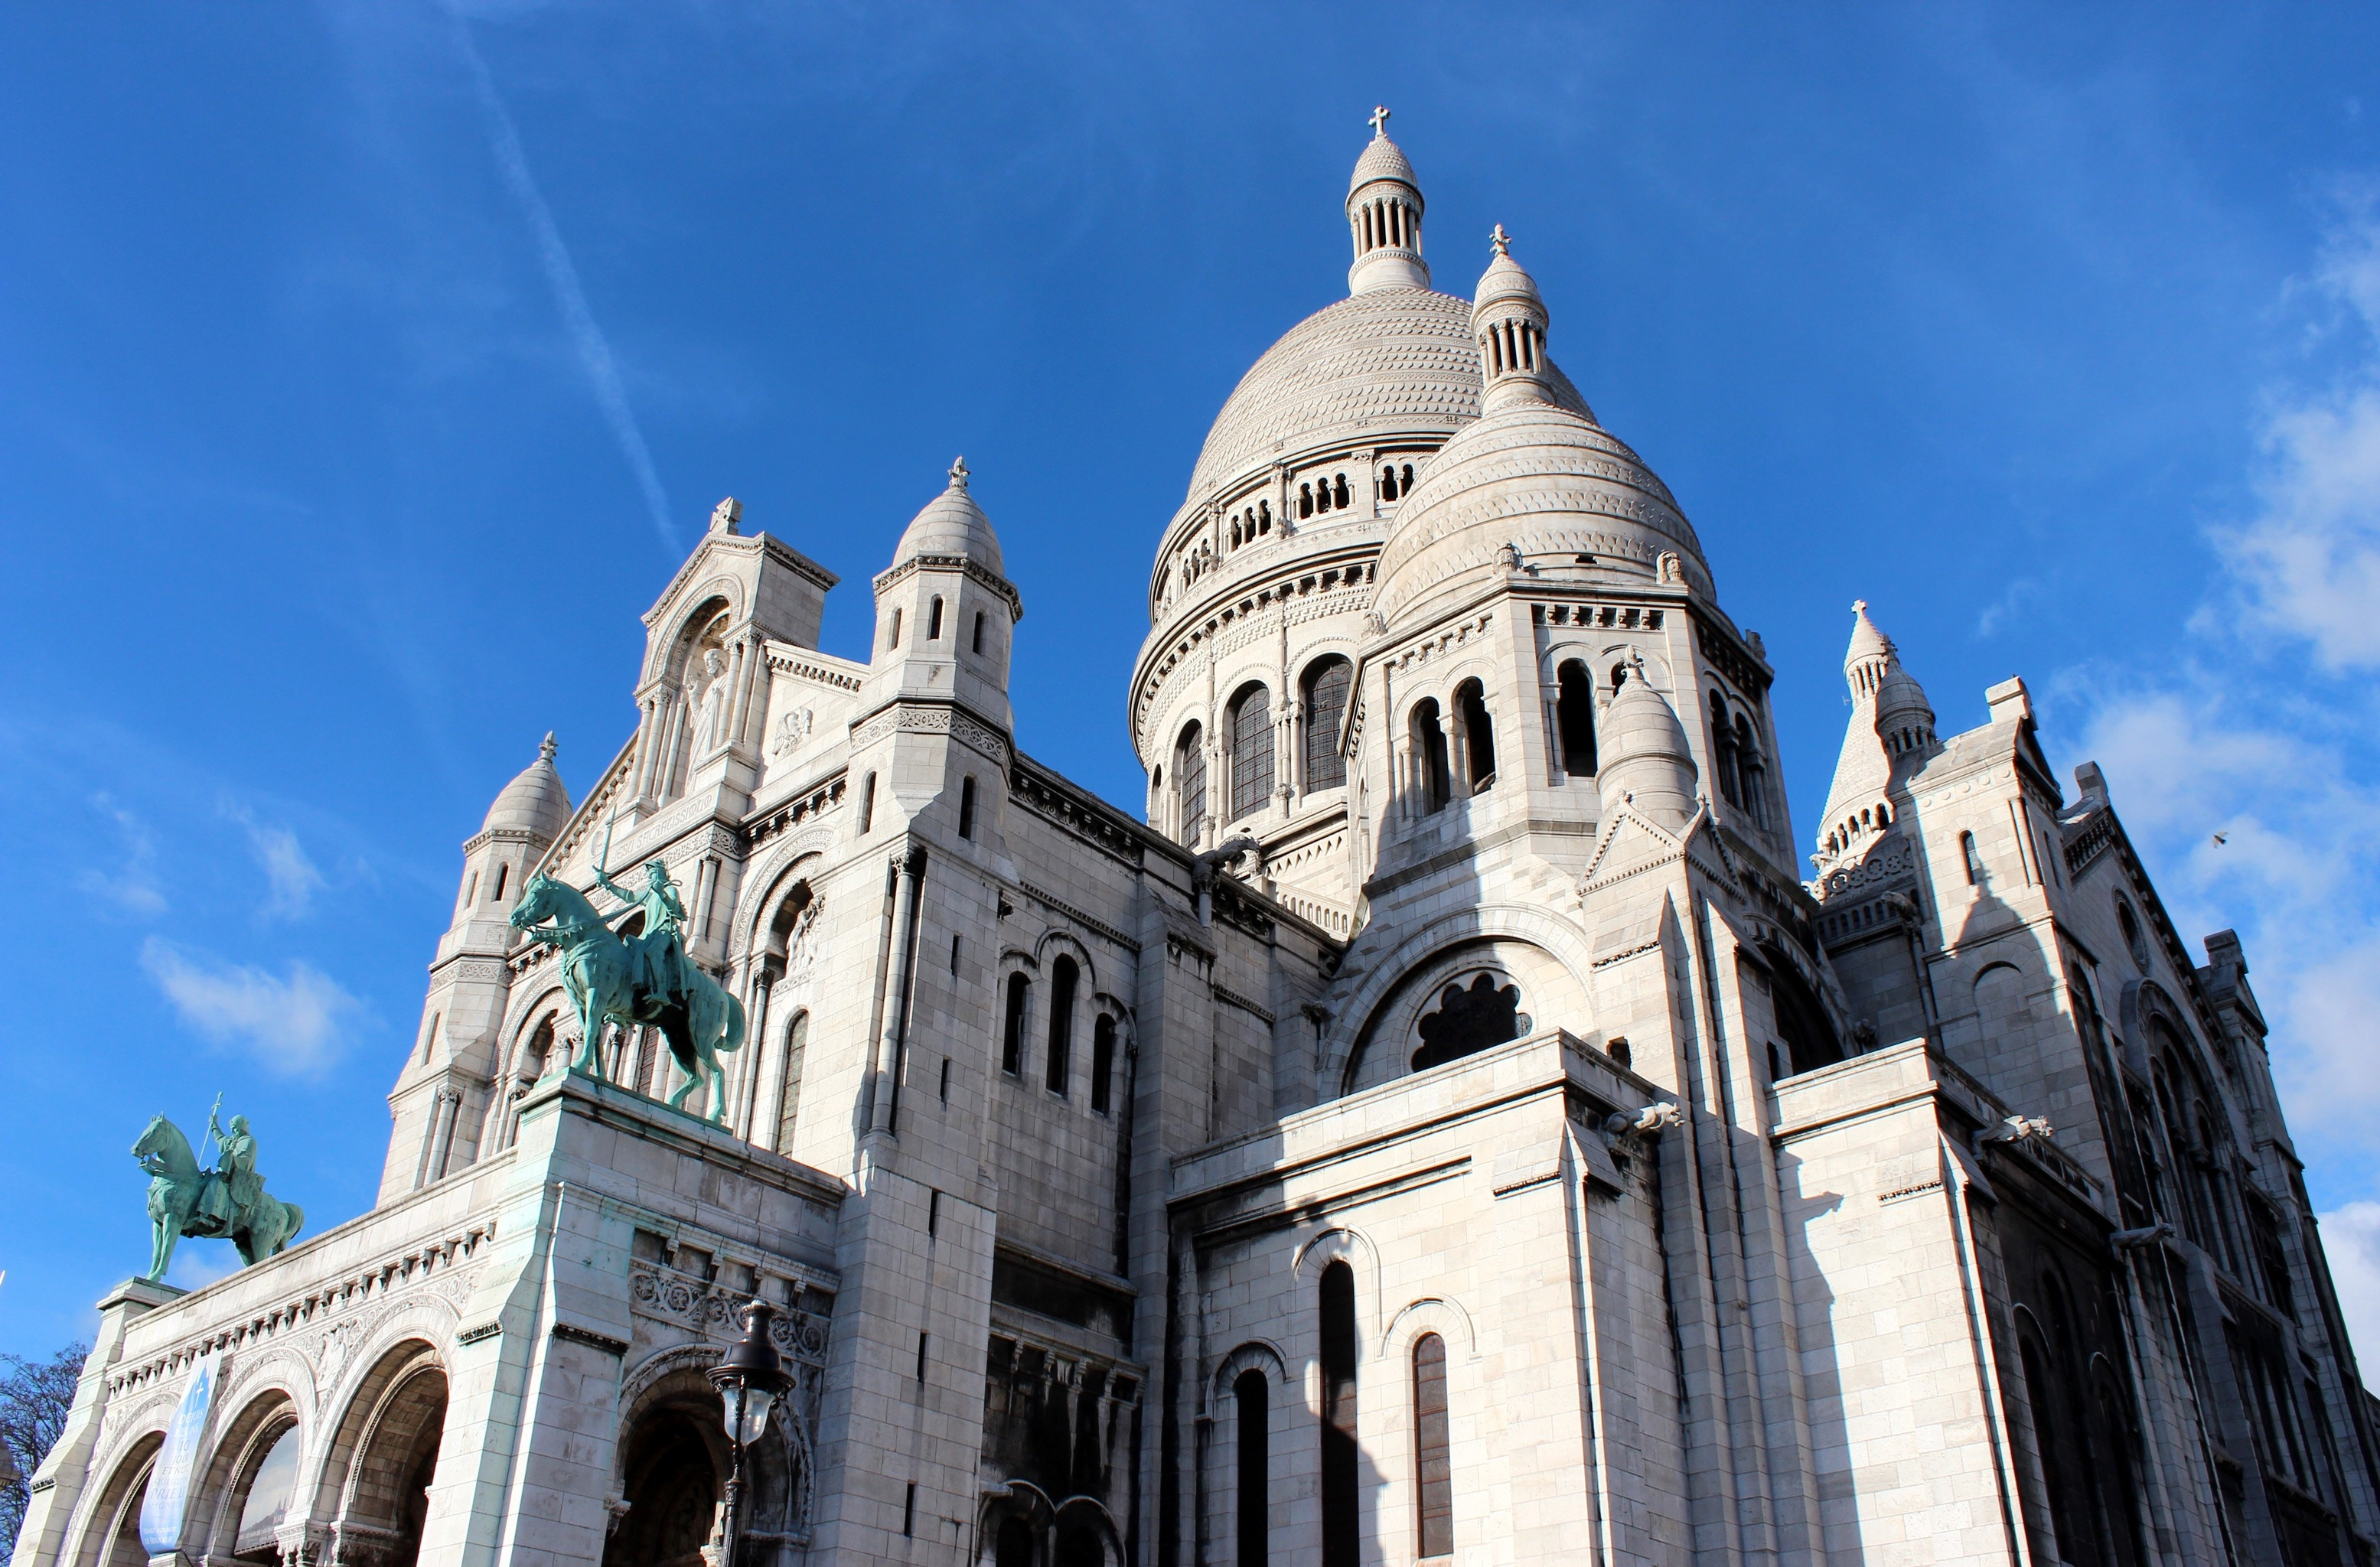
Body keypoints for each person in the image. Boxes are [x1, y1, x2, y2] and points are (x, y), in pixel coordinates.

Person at [596, 858, 692, 1007]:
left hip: (665, 931)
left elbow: (674, 908)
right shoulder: (650, 895)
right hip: (649, 934)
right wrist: (608, 884)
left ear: (661, 874)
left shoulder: (670, 889)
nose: (649, 877)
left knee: (653, 951)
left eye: (653, 873)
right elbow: (629, 897)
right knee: (626, 951)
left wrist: (662, 894)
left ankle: (661, 992)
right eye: (649, 874)